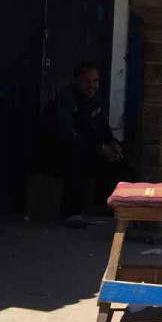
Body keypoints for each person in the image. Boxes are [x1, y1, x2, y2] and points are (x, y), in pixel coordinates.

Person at [46, 62, 125, 228]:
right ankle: (70, 212)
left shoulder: (96, 99)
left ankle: (106, 202)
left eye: (95, 81)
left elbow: (102, 127)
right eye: (87, 81)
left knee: (121, 154)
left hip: (88, 145)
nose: (92, 85)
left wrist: (111, 143)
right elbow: (68, 134)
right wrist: (98, 148)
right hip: (58, 149)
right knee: (76, 157)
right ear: (77, 81)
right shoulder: (67, 100)